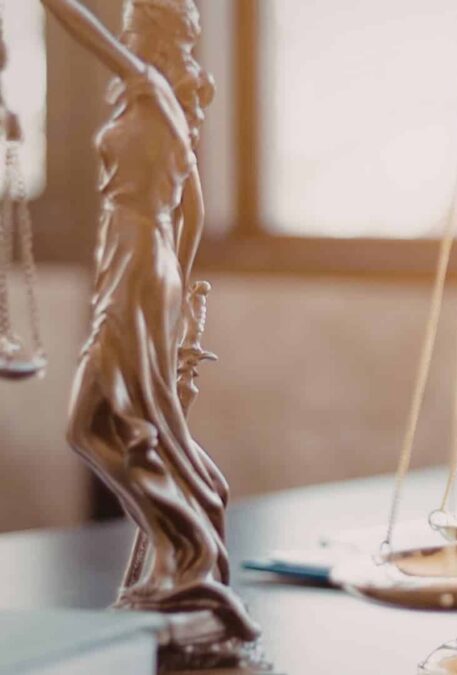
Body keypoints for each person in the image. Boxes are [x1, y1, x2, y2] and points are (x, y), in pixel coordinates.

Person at [41, 0, 258, 642]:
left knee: (91, 421)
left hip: (136, 260)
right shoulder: (161, 104)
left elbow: (80, 26)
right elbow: (193, 209)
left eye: (136, 31)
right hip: (138, 260)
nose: (126, 41)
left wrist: (155, 278)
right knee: (128, 420)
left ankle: (185, 550)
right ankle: (187, 540)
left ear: (158, 40)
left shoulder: (152, 87)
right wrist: (174, 287)